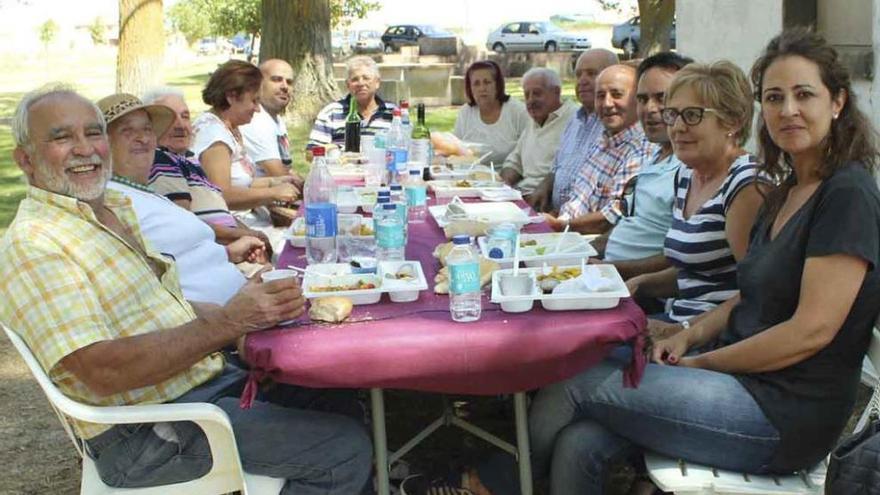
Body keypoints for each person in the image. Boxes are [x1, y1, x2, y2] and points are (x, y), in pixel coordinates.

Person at [526, 30, 880, 494]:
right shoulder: (789, 189)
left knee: (573, 381)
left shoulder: (847, 194)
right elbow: (748, 293)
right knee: (581, 442)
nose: (787, 110)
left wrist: (703, 362)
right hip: (740, 384)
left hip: (781, 414)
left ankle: (495, 482)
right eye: (774, 97)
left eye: (804, 94)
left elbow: (811, 331)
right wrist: (690, 334)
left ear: (836, 102)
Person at [3, 85, 373, 493]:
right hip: (146, 432)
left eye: (93, 133)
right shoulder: (37, 244)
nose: (84, 148)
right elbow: (100, 372)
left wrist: (242, 322)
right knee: (344, 449)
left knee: (333, 391)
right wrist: (229, 323)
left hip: (196, 384)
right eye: (61, 137)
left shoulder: (107, 211)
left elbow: (162, 308)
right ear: (26, 159)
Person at [624, 60, 769, 332]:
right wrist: (642, 283)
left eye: (692, 115)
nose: (677, 127)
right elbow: (697, 274)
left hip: (716, 343)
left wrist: (682, 332)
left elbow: (758, 293)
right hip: (676, 322)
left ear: (733, 122)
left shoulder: (746, 184)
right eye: (672, 115)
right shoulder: (687, 175)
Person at [98, 92, 263, 305]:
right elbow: (145, 280)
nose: (143, 138)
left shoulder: (147, 193)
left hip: (240, 298)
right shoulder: (112, 200)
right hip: (220, 323)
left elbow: (177, 254)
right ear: (103, 144)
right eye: (127, 131)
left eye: (147, 129)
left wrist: (227, 254)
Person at [595, 52, 694, 280]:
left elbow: (683, 257)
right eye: (642, 99)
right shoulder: (656, 155)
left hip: (645, 294)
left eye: (662, 98)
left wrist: (612, 269)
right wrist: (576, 253)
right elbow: (630, 223)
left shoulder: (691, 167)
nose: (649, 109)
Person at [141, 86, 275, 254]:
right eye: (170, 118)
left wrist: (249, 235)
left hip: (236, 247)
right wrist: (241, 235)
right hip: (217, 253)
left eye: (185, 116)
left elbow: (220, 210)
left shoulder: (189, 159)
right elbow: (184, 222)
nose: (180, 125)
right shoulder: (162, 160)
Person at [544, 64, 657, 232]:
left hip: (587, 245)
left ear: (637, 100)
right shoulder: (602, 140)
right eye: (600, 96)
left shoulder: (641, 149)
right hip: (564, 235)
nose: (607, 103)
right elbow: (579, 200)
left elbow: (613, 216)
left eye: (617, 94)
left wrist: (560, 225)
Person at [192, 60, 299, 227]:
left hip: (250, 219)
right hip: (231, 228)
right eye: (254, 101)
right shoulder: (214, 135)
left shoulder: (230, 127)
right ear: (232, 97)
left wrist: (274, 182)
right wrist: (272, 193)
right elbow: (220, 196)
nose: (257, 109)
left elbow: (240, 181)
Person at [530, 49, 619, 213]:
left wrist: (560, 222)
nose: (583, 80)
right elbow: (557, 167)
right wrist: (545, 185)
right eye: (578, 75)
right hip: (557, 215)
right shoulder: (575, 119)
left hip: (581, 226)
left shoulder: (614, 124)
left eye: (592, 74)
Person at [499, 67, 578, 201]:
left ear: (556, 92)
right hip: (520, 195)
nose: (530, 100)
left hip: (546, 200)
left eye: (537, 93)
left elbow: (570, 170)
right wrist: (503, 185)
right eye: (527, 95)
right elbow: (515, 162)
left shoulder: (575, 119)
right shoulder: (533, 121)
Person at [308, 55, 396, 150]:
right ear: (347, 85)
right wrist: (337, 149)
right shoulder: (331, 112)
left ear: (377, 82)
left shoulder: (393, 113)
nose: (361, 83)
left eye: (366, 78)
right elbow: (310, 153)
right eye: (355, 79)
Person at [452, 60, 529, 165]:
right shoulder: (465, 112)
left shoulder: (517, 111)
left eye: (487, 82)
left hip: (510, 175)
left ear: (497, 85)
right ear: (470, 88)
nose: (482, 88)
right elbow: (455, 150)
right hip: (470, 175)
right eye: (476, 84)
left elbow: (530, 150)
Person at [240, 58, 304, 182]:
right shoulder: (256, 120)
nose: (285, 86)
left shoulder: (275, 118)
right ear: (258, 83)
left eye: (289, 82)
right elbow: (279, 174)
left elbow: (287, 168)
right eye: (276, 80)